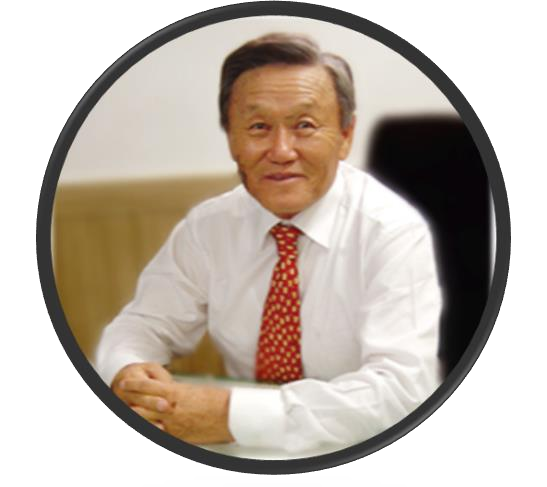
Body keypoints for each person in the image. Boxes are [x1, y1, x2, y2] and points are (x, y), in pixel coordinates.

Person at [96, 32, 442, 453]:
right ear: (231, 138)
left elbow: (403, 393)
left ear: (346, 136)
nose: (281, 151)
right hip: (241, 452)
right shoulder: (208, 227)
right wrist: (129, 371)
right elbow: (140, 325)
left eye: (304, 126)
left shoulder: (391, 231)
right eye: (258, 127)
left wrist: (231, 415)